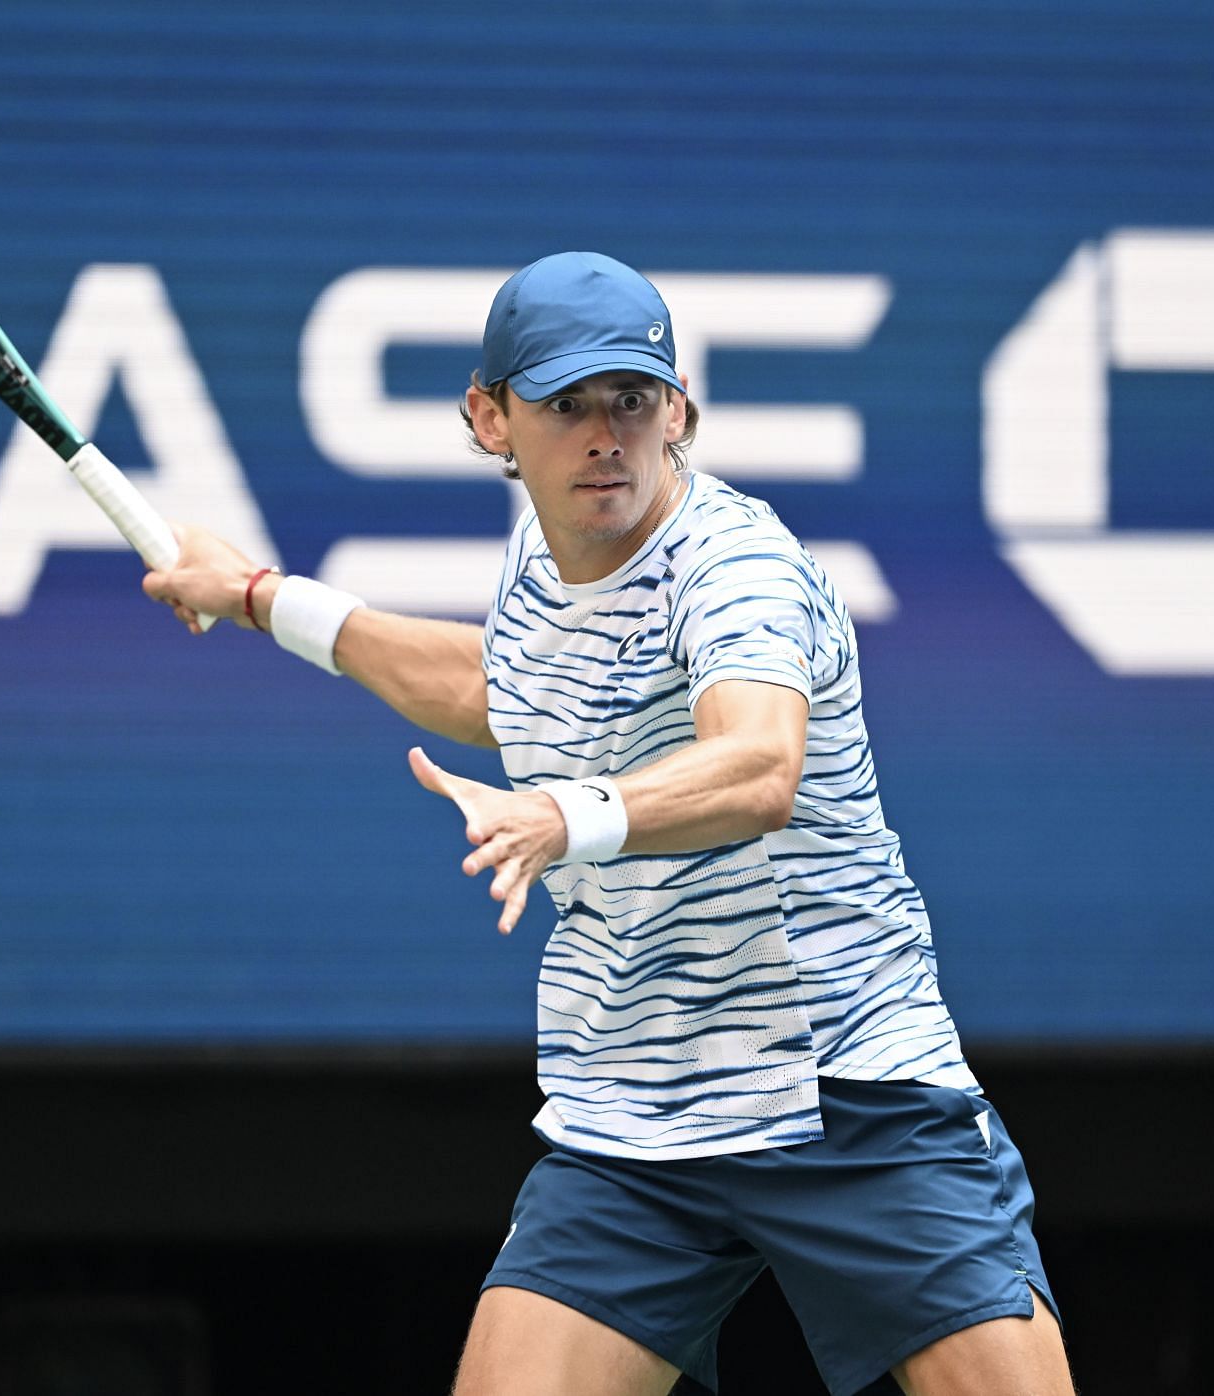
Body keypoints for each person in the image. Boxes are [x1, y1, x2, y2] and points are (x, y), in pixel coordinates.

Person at [143, 251, 1076, 1396]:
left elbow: (759, 764)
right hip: (637, 1112)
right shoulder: (549, 547)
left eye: (632, 401)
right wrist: (258, 597)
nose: (606, 435)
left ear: (677, 409)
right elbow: (502, 683)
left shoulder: (736, 570)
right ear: (491, 420)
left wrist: (563, 812)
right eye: (567, 404)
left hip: (844, 1088)